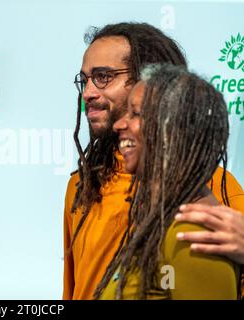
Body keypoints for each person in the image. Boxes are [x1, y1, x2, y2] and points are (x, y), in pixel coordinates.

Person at [63, 22, 244, 300]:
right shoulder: (82, 186)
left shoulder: (215, 189)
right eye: (84, 79)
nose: (87, 92)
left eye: (103, 77)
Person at [95, 64, 239, 299]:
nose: (119, 125)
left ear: (173, 130)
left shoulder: (195, 235)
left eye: (136, 114)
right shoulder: (163, 224)